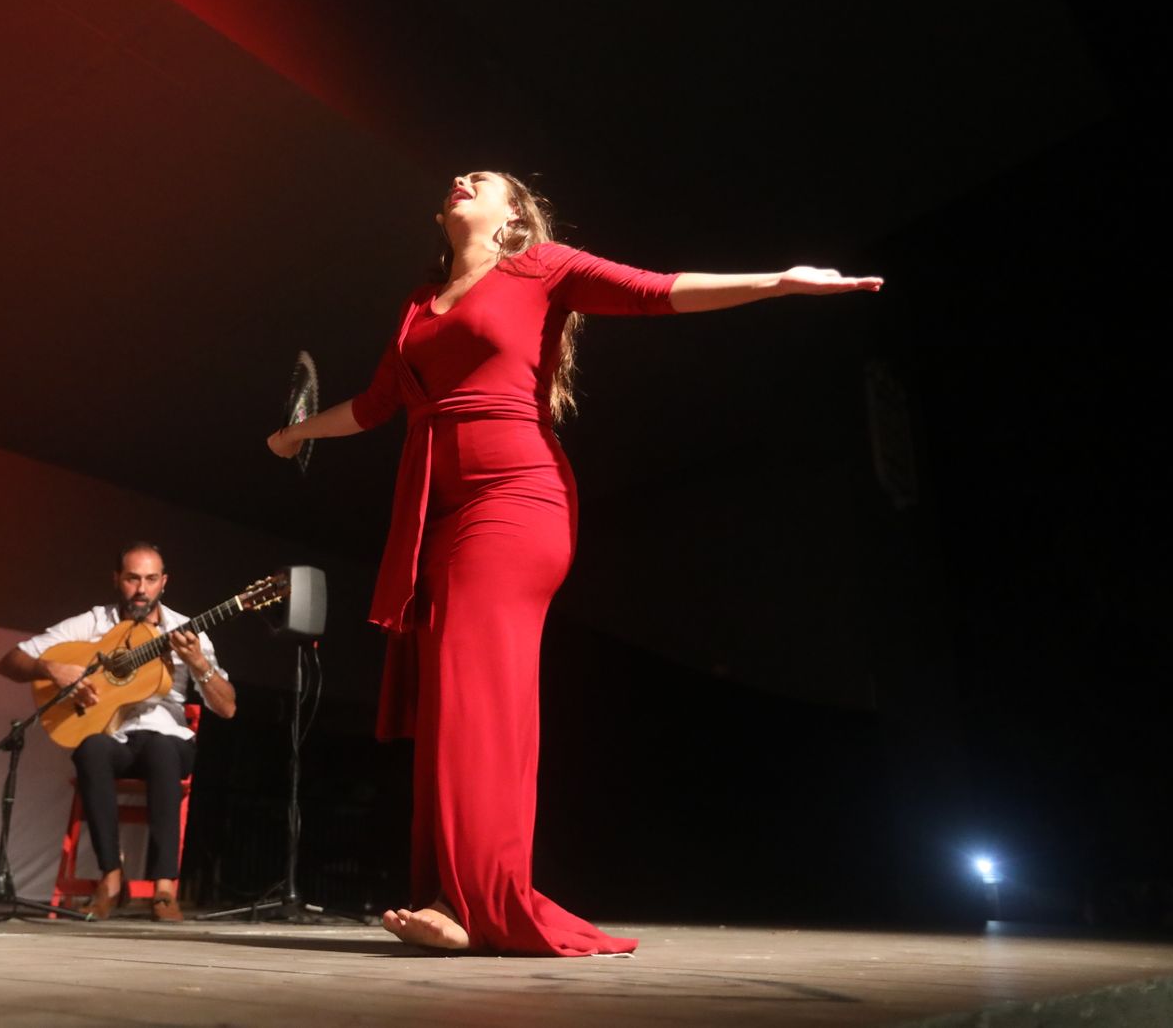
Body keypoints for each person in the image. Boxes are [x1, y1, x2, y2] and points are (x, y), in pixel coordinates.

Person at [267, 171, 882, 955]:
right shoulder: (418, 305)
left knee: (473, 689)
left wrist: (778, 283)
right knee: (451, 696)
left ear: (514, 212)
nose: (462, 180)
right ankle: (448, 892)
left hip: (519, 500)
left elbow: (657, 291)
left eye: (482, 179)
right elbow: (377, 404)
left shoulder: (543, 267)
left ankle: (477, 902)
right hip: (440, 514)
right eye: (458, 177)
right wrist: (298, 435)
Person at [0, 542, 237, 921]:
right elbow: (11, 660)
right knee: (90, 749)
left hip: (167, 739)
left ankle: (163, 888)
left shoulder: (186, 631)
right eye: (132, 579)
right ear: (117, 580)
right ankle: (110, 876)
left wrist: (199, 665)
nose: (142, 589)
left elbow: (227, 707)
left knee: (161, 750)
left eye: (151, 579)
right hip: (114, 735)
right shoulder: (94, 623)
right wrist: (51, 669)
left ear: (164, 582)